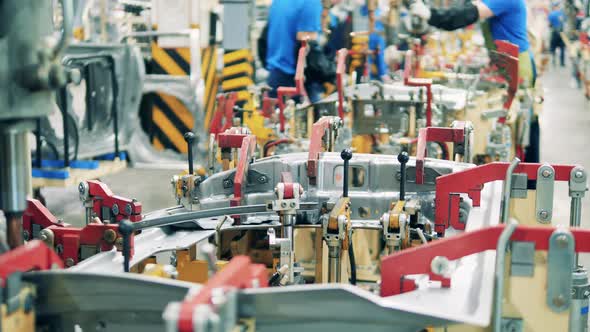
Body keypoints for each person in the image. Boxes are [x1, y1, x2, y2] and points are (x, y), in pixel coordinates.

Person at [408, 0, 540, 162]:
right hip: (505, 63)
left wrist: (431, 15)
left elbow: (466, 15)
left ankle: (529, 175)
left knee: (522, 120)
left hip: (518, 67)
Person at [263, 0, 336, 103]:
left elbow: (264, 38)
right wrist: (331, 75)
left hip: (275, 75)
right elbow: (307, 47)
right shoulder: (310, 3)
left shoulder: (278, 1)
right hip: (295, 80)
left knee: (276, 117)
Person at [548, 2, 566, 67]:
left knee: (553, 47)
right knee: (562, 48)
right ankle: (562, 63)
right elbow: (564, 22)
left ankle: (553, 61)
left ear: (554, 7)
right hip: (561, 32)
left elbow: (549, 24)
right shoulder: (562, 13)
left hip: (554, 32)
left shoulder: (551, 14)